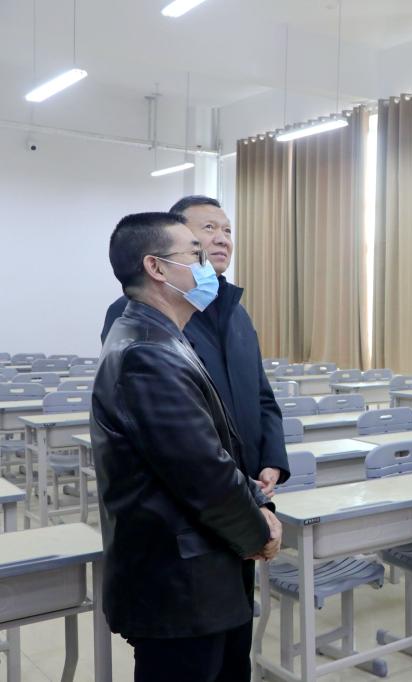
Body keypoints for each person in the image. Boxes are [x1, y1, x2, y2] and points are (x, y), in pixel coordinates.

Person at [92, 212, 282, 681]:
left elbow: (215, 445)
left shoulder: (162, 338)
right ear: (156, 267)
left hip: (202, 569)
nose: (206, 263)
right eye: (194, 254)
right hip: (177, 582)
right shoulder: (145, 353)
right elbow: (203, 473)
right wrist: (258, 531)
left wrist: (256, 501)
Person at [100, 195, 289, 498]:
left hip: (246, 488)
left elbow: (262, 396)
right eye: (209, 228)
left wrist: (272, 460)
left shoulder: (237, 313)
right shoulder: (137, 313)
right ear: (179, 235)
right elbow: (164, 435)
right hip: (189, 496)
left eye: (227, 231)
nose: (222, 239)